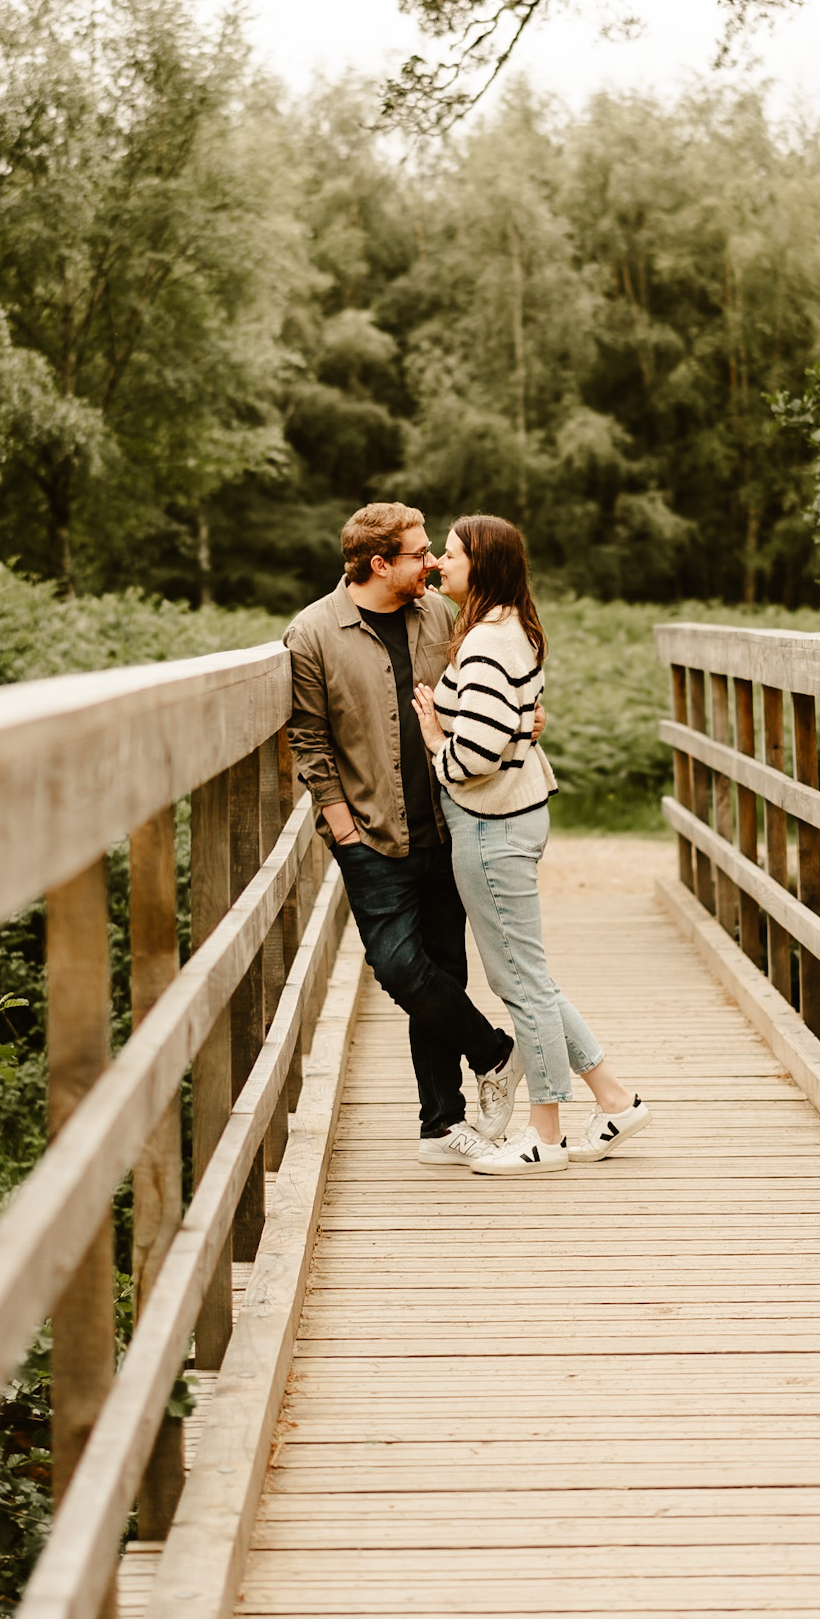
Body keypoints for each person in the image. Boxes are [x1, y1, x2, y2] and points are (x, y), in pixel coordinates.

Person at [284, 502, 531, 1164]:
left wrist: (525, 719)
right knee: (398, 966)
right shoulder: (313, 632)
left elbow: (487, 690)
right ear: (378, 563)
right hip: (369, 832)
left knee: (443, 968)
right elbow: (308, 740)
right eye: (419, 553)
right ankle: (496, 1052)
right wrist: (344, 831)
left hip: (451, 824)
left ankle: (442, 1125)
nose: (431, 563)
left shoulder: (441, 617)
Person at [412, 515, 650, 1177]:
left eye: (451, 554)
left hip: (490, 824)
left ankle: (542, 1133)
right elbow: (512, 724)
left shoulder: (487, 643)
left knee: (520, 983)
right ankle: (614, 1099)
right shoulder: (509, 627)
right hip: (511, 816)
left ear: (480, 566)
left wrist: (436, 742)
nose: (438, 562)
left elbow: (478, 754)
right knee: (527, 976)